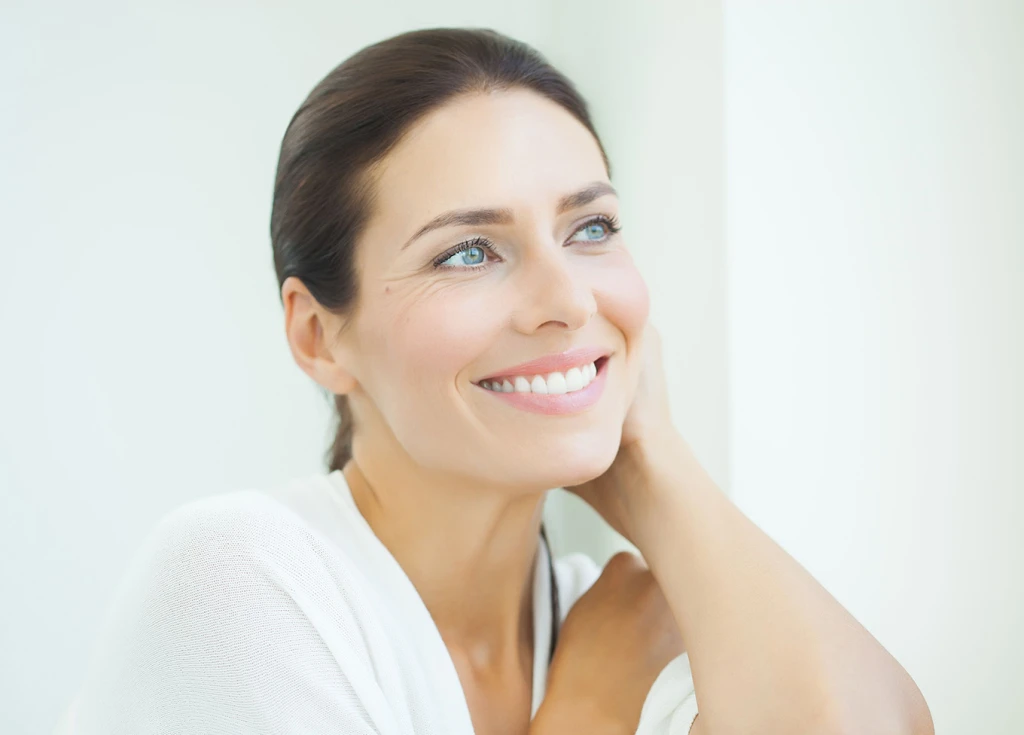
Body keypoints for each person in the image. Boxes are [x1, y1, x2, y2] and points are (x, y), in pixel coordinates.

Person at [57, 27, 933, 735]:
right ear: (320, 335)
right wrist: (586, 712)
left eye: (590, 227)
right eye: (468, 250)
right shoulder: (244, 579)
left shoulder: (616, 612)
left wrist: (653, 465)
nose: (568, 298)